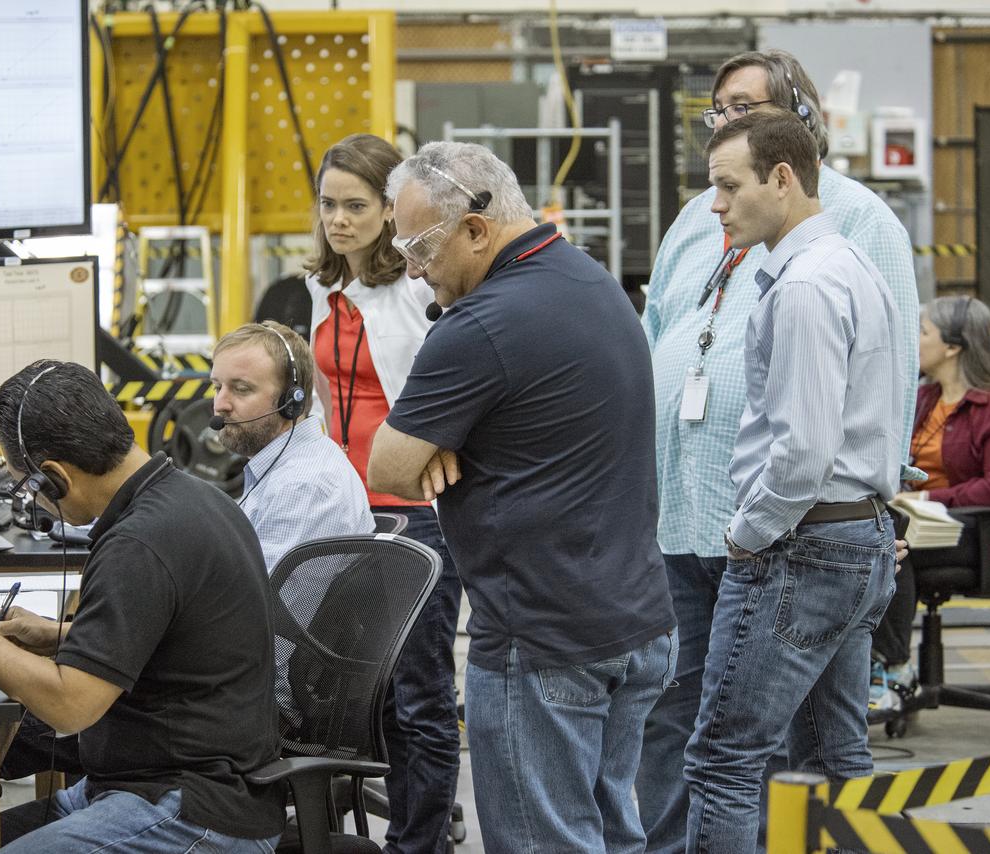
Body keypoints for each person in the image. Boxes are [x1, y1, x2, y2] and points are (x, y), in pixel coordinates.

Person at [636, 49, 921, 853]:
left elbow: (833, 422)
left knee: (730, 753)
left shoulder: (834, 248)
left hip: (781, 529)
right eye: (717, 113)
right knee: (788, 741)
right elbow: (658, 333)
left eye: (745, 113)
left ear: (788, 160)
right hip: (697, 512)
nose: (724, 129)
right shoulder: (707, 222)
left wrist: (756, 528)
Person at [367, 141, 677, 852]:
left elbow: (388, 466)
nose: (412, 268)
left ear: (476, 230)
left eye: (419, 246)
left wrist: (446, 437)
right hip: (633, 623)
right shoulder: (592, 283)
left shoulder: (480, 327)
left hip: (543, 638)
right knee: (608, 833)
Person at [0, 360, 285, 853]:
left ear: (55, 478)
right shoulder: (195, 498)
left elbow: (70, 707)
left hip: (193, 808)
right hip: (149, 783)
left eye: (26, 487)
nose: (32, 503)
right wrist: (61, 636)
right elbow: (181, 637)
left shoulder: (139, 544)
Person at [303, 133, 463, 854]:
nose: (339, 220)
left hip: (416, 518)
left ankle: (418, 843)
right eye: (329, 205)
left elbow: (444, 403)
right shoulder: (324, 287)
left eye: (356, 206)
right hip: (344, 512)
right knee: (346, 694)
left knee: (418, 698)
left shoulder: (418, 292)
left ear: (390, 208)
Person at [870, 296, 990, 708]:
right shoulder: (925, 399)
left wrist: (928, 496)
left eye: (923, 332)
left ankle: (893, 665)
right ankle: (868, 664)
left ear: (953, 346)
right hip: (917, 524)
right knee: (865, 527)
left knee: (887, 537)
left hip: (977, 536)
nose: (914, 341)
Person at [209, 320, 373, 571]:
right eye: (217, 387)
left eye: (241, 389)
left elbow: (258, 603)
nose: (220, 404)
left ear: (291, 401)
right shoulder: (289, 463)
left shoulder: (302, 486)